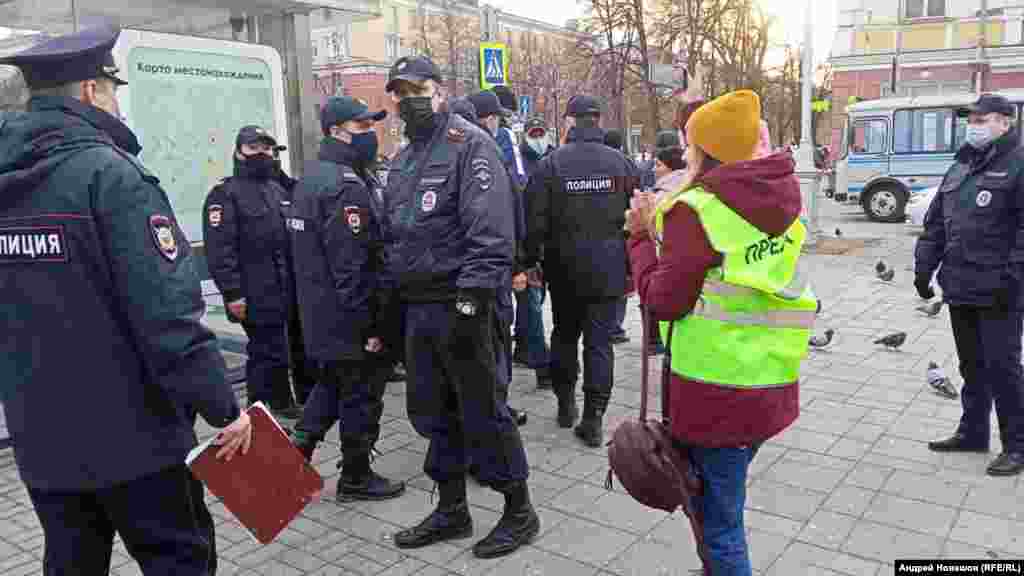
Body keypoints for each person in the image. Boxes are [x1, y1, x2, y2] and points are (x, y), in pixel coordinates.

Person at [0, 27, 252, 574]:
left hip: (43, 442)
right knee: (179, 559)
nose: (117, 101)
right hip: (138, 442)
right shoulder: (111, 175)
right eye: (114, 88)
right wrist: (223, 408)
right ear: (92, 91)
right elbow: (168, 319)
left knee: (72, 562)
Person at [628, 90, 816, 576]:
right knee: (718, 504)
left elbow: (663, 300)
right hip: (771, 378)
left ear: (704, 150)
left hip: (716, 394)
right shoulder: (782, 196)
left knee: (720, 524)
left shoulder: (696, 210)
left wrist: (640, 238)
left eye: (691, 145)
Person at [379, 56, 539, 558]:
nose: (410, 100)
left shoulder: (470, 145)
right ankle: (452, 510)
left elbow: (490, 232)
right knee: (434, 413)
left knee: (484, 410)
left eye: (418, 89)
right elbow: (396, 235)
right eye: (401, 92)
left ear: (440, 91)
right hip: (420, 307)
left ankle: (519, 510)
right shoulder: (405, 158)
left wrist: (472, 301)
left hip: (462, 303)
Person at [285, 96, 407, 500]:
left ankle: (297, 453)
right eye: (361, 127)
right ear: (336, 131)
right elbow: (352, 266)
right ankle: (356, 475)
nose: (370, 134)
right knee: (361, 396)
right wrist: (370, 326)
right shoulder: (345, 186)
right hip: (349, 316)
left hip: (322, 312)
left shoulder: (313, 176)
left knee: (333, 385)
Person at [915, 93, 1024, 477]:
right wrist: (923, 269)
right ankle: (973, 432)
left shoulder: (1018, 163)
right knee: (972, 366)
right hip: (960, 285)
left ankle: (1017, 446)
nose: (973, 126)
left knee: (1003, 369)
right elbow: (936, 224)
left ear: (1005, 123)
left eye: (982, 119)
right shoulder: (961, 164)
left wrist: (1013, 277)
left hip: (1000, 290)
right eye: (971, 120)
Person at [523, 94, 634, 448]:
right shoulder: (622, 164)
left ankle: (566, 405)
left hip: (564, 270)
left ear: (570, 121)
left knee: (565, 336)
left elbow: (534, 222)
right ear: (598, 120)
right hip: (608, 270)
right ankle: (594, 418)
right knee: (600, 344)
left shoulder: (551, 164)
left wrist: (529, 262)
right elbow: (637, 220)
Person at [203, 125, 302, 421]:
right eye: (253, 148)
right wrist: (233, 293)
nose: (261, 153)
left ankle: (281, 401)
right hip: (252, 290)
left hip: (282, 287)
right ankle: (258, 408)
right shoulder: (225, 194)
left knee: (278, 349)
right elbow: (220, 250)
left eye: (266, 148)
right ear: (238, 152)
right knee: (264, 351)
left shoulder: (276, 189)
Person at [467, 90, 530, 427]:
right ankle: (496, 410)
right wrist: (519, 262)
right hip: (493, 268)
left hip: (458, 274)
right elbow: (512, 208)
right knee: (495, 339)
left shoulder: (445, 152)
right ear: (490, 119)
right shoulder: (492, 150)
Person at [515, 117, 554, 388]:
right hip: (527, 246)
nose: (538, 138)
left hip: (546, 246)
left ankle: (524, 347)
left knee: (534, 303)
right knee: (532, 302)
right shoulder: (517, 163)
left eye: (542, 133)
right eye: (534, 134)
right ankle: (542, 364)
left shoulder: (554, 159)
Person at [603, 128, 635, 346]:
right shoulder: (626, 163)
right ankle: (615, 326)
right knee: (621, 279)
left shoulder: (599, 162)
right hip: (622, 229)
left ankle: (607, 324)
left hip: (601, 229)